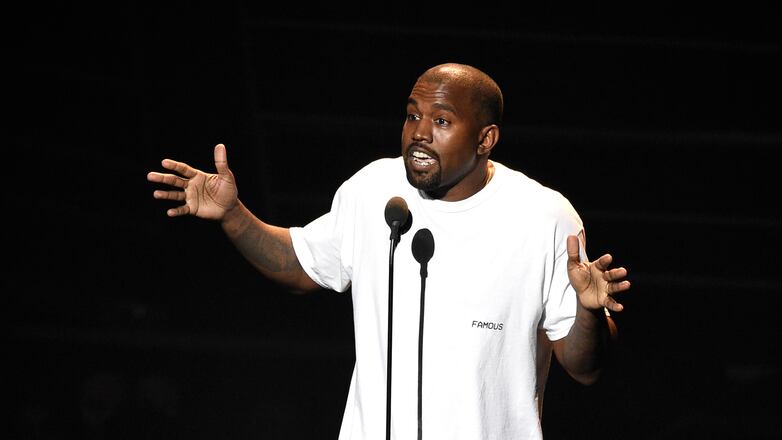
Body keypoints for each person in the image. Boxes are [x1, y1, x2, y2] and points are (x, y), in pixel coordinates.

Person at [147, 62, 631, 439]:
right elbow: (300, 265)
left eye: (441, 120)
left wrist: (588, 313)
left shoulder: (542, 217)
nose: (419, 132)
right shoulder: (374, 188)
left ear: (486, 139)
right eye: (412, 114)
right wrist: (234, 216)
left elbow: (583, 368)